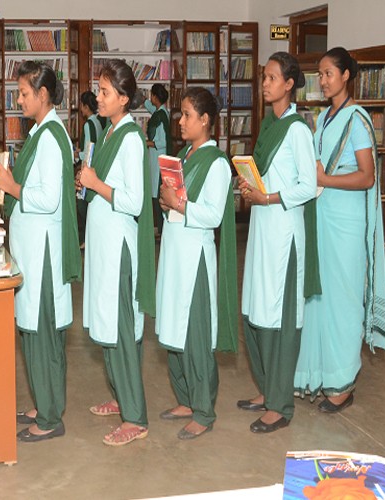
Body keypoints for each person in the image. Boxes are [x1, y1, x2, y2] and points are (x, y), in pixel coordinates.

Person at [294, 47, 385, 412]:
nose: (323, 79)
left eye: (329, 73)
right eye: (320, 73)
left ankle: (343, 385)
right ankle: (320, 373)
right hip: (324, 217)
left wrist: (326, 179)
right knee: (321, 299)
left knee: (344, 301)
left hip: (346, 223)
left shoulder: (357, 119)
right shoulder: (325, 117)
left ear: (346, 75)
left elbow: (367, 177)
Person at [0, 61, 81, 443]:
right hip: (33, 247)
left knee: (42, 334)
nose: (19, 99)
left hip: (44, 251)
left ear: (43, 95)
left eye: (24, 93)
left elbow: (47, 199)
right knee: (33, 331)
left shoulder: (50, 137)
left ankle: (49, 417)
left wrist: (11, 187)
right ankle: (43, 402)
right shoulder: (42, 131)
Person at [237, 52, 317, 433]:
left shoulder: (298, 130)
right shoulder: (270, 124)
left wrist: (267, 197)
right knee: (255, 308)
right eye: (263, 77)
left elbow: (309, 185)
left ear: (289, 84)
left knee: (279, 317)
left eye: (271, 77)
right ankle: (268, 388)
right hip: (261, 229)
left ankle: (280, 404)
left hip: (284, 233)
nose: (265, 83)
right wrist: (249, 186)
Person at [78, 59, 156, 446]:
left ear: (124, 98)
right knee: (106, 319)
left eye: (106, 91)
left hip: (119, 245)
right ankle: (119, 396)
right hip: (102, 241)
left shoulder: (130, 138)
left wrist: (95, 182)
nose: (98, 96)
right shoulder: (109, 133)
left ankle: (136, 417)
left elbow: (135, 201)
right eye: (98, 89)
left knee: (122, 327)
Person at [155, 87, 238, 440]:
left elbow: (213, 214)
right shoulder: (183, 156)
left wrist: (178, 205)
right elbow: (175, 201)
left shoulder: (216, 162)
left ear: (206, 120)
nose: (181, 121)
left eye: (188, 115)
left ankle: (204, 410)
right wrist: (166, 202)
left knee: (196, 333)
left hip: (196, 257)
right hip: (174, 250)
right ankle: (186, 399)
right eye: (181, 114)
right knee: (174, 326)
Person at [76, 91, 105, 248]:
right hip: (97, 167)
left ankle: (86, 238)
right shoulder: (99, 122)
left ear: (85, 106)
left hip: (88, 167)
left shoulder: (88, 124)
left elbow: (89, 149)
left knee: (82, 205)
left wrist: (77, 154)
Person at [144, 83, 171, 233]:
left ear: (155, 96)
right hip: (156, 158)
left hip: (158, 159)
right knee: (155, 192)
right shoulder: (160, 112)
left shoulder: (160, 117)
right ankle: (160, 229)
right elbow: (150, 106)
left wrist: (146, 142)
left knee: (157, 193)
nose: (150, 98)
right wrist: (143, 99)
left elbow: (162, 142)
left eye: (151, 95)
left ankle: (161, 229)